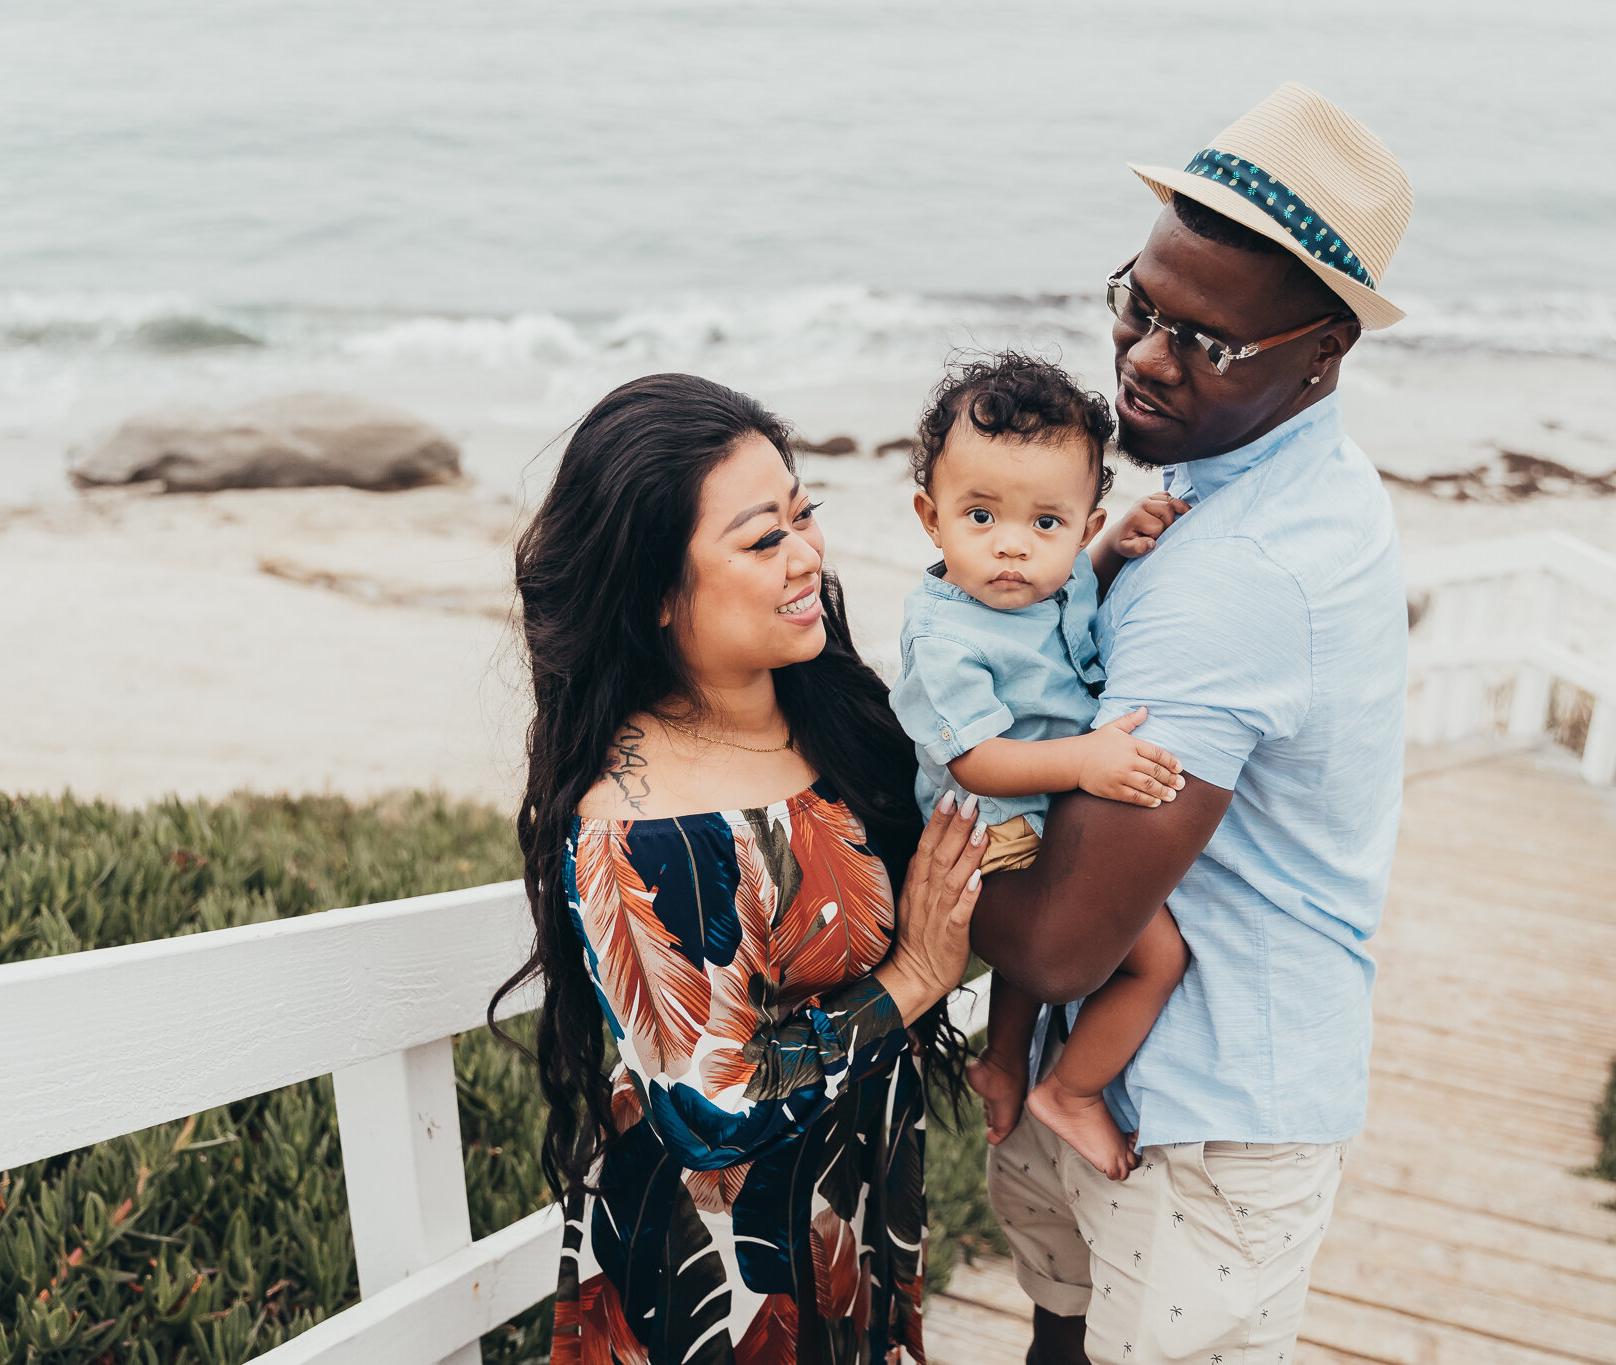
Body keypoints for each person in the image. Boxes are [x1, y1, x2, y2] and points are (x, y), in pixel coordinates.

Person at [969, 82, 1417, 1365]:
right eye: (1138, 303)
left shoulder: (1234, 573)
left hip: (1201, 1111)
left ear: (1325, 347)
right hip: (1122, 1079)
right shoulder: (1286, 482)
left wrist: (842, 852)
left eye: (1208, 343)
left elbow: (1058, 943)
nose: (1145, 359)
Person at [491, 373, 988, 1365]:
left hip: (843, 1230)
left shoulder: (823, 707)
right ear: (655, 594)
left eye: (804, 516)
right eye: (763, 541)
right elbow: (713, 1103)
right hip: (717, 1281)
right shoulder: (637, 830)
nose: (806, 556)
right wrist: (910, 983)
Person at [887, 353, 1192, 1182]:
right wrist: (1087, 760)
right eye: (980, 516)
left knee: (1053, 953)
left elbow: (1059, 615)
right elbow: (977, 758)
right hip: (988, 828)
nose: (1013, 549)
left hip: (1038, 811)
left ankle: (1007, 1062)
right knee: (1156, 957)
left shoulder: (1052, 581)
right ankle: (1076, 1089)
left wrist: (1112, 558)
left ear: (1083, 525)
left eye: (1046, 525)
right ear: (930, 516)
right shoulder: (944, 634)